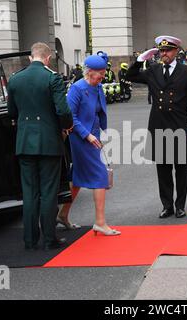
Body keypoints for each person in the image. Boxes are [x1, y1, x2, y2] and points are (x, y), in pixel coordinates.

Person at [7, 42, 73, 250]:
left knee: (30, 193)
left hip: (25, 142)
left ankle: (29, 239)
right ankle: (49, 238)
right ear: (48, 58)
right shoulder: (52, 77)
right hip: (48, 142)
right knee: (48, 191)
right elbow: (63, 111)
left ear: (30, 58)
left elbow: (11, 113)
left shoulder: (15, 79)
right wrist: (66, 127)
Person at [126, 35, 187, 219]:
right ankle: (167, 205)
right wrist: (139, 60)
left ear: (176, 51)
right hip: (158, 124)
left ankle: (180, 205)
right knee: (163, 168)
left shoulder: (186, 71)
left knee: (180, 168)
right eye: (161, 51)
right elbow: (131, 76)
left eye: (167, 50)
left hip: (178, 124)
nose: (163, 54)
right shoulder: (153, 70)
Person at [67, 52, 121, 236]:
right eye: (100, 72)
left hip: (93, 135)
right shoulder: (77, 89)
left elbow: (98, 112)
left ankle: (62, 214)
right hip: (81, 137)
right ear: (89, 72)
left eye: (104, 72)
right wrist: (87, 135)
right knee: (100, 175)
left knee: (78, 179)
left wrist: (98, 132)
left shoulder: (97, 87)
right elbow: (70, 117)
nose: (103, 75)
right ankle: (99, 222)